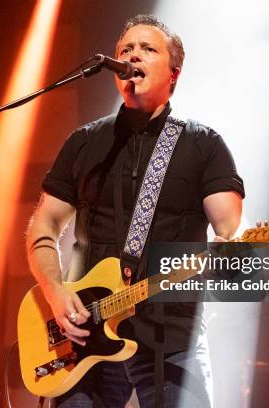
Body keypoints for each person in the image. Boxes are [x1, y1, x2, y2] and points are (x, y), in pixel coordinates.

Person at [25, 14, 244, 408]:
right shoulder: (85, 142)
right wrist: (55, 293)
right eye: (125, 49)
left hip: (171, 337)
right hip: (86, 334)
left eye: (147, 49)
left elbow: (229, 229)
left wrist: (233, 252)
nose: (133, 56)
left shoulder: (202, 145)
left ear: (174, 73)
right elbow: (45, 223)